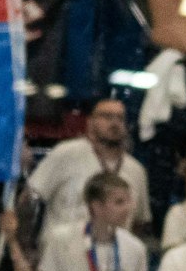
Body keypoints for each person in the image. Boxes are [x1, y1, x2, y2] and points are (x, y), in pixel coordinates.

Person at [23, 98, 152, 235]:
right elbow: (29, 198)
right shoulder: (66, 153)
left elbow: (139, 222)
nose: (115, 123)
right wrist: (23, 243)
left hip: (112, 247)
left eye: (120, 118)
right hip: (63, 246)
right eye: (107, 116)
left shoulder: (136, 170)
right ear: (90, 122)